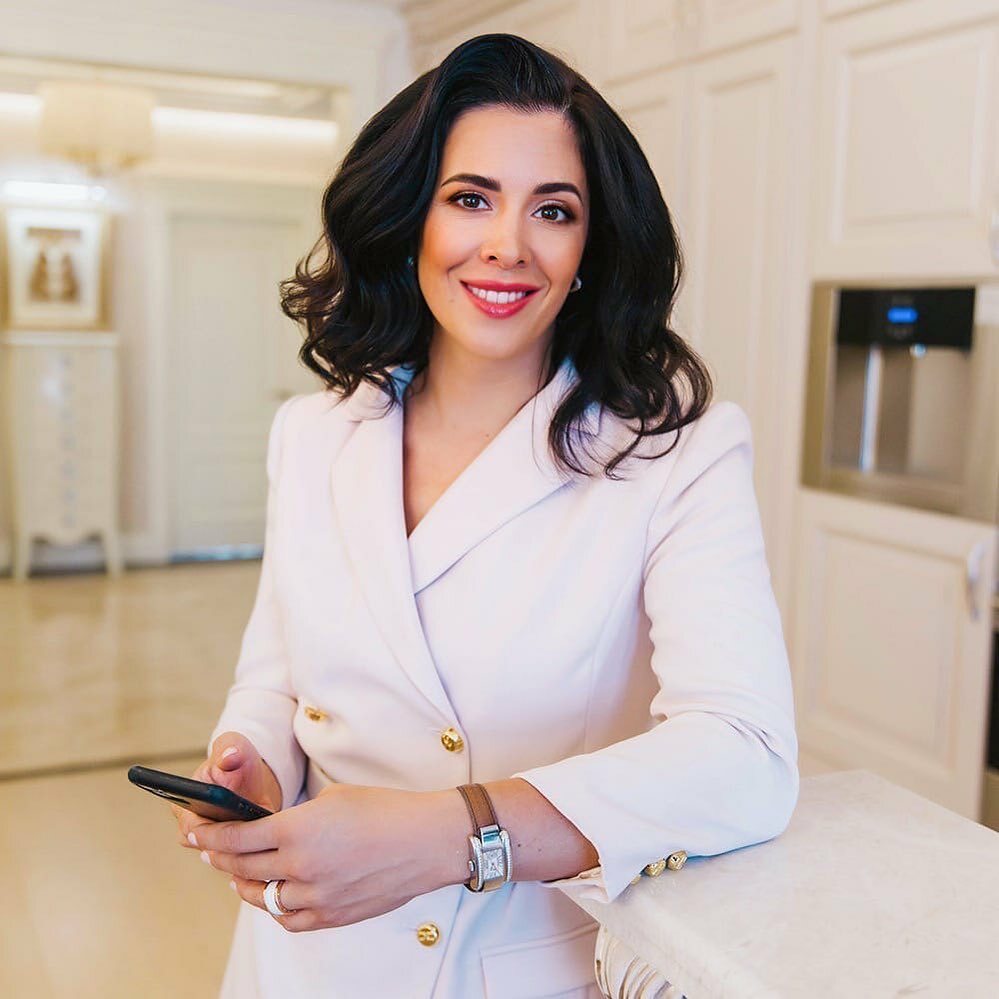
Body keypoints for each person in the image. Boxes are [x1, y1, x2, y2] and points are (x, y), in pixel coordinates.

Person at [170, 32, 799, 998]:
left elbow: (744, 754)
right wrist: (250, 763)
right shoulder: (313, 432)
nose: (508, 243)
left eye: (552, 209)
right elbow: (279, 676)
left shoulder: (678, 452)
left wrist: (453, 833)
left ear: (589, 249)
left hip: (515, 964)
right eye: (470, 198)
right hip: (306, 950)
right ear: (408, 218)